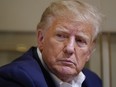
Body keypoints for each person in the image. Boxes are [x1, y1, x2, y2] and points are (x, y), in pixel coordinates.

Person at [0, 0, 102, 87]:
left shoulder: (93, 81)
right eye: (61, 36)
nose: (70, 48)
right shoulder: (16, 78)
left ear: (89, 52)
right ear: (41, 39)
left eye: (80, 40)